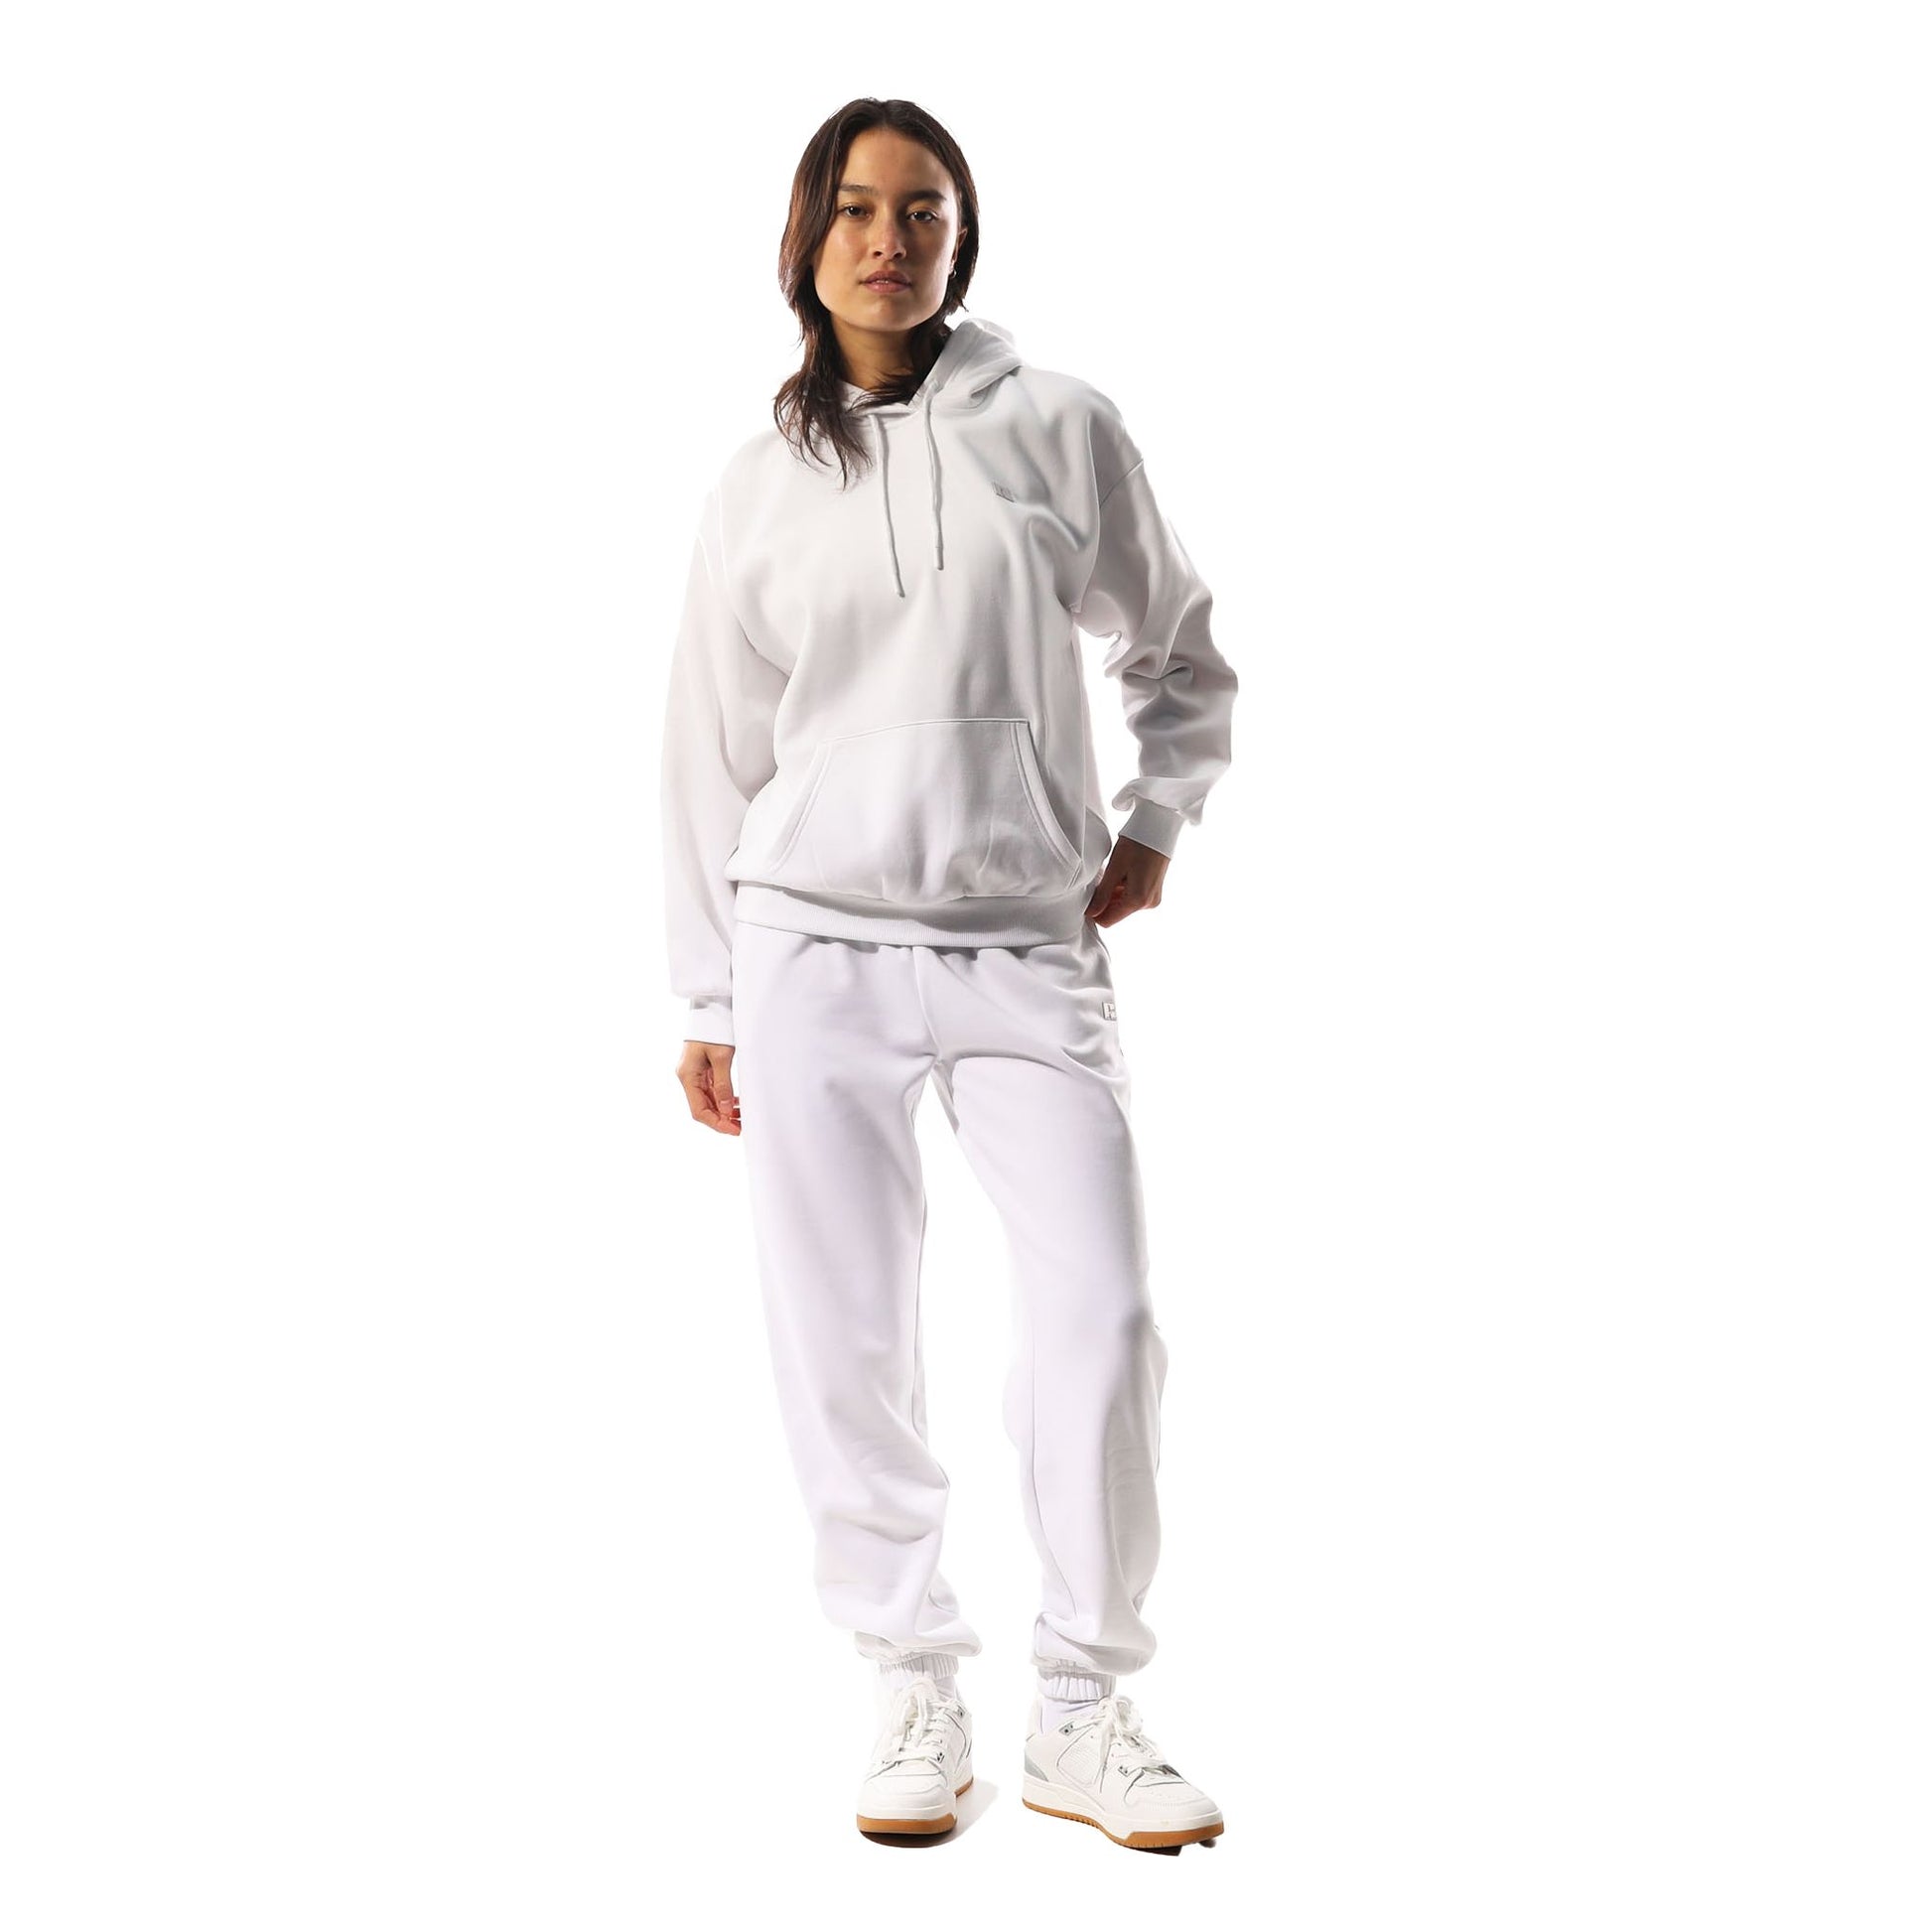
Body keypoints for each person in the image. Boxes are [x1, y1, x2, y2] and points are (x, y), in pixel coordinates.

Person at [659, 98, 1238, 1853]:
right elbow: (708, 750)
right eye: (855, 208)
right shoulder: (760, 483)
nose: (888, 239)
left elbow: (1179, 648)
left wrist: (1154, 822)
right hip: (811, 944)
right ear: (805, 238)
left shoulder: (1058, 425)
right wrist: (710, 995)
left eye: (921, 209)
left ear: (958, 236)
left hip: (1019, 938)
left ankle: (1080, 1703)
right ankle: (910, 1674)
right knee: (842, 1331)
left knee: (1103, 1313)